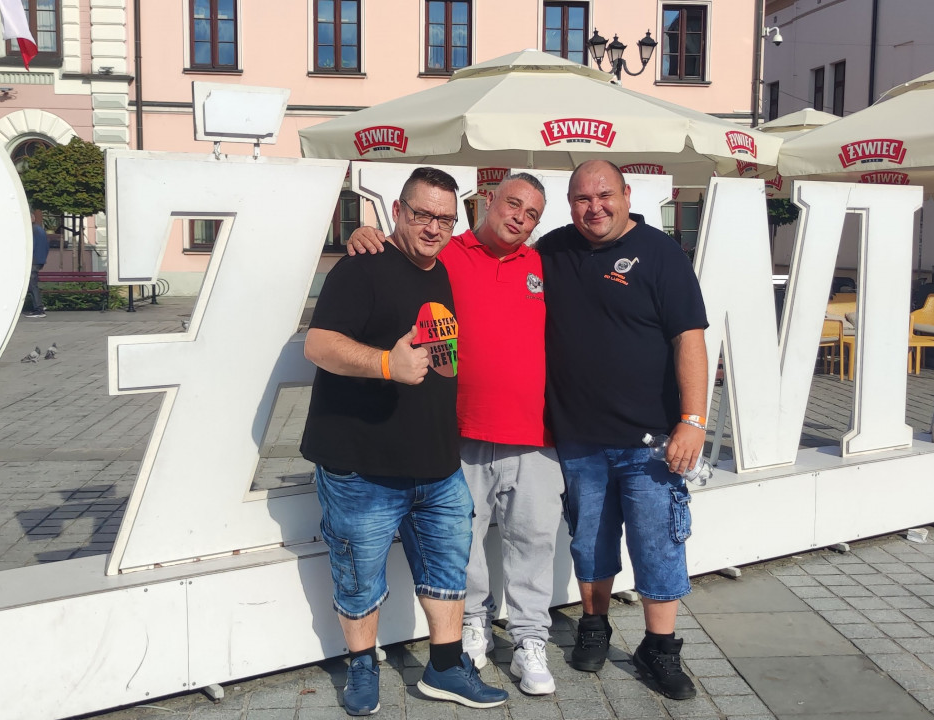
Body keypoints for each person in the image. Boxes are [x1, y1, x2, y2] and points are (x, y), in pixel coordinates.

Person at [301, 167, 508, 715]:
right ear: (397, 210)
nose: (434, 227)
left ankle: (445, 667)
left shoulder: (445, 271)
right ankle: (362, 665)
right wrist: (385, 364)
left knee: (448, 570)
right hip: (361, 464)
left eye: (446, 218)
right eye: (422, 214)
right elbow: (318, 345)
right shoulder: (360, 267)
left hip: (436, 462)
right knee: (359, 577)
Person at [346, 173, 563, 695]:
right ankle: (473, 625)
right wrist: (364, 233)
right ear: (487, 201)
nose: (520, 218)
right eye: (512, 204)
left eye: (532, 214)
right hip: (462, 429)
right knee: (461, 544)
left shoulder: (544, 263)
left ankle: (530, 639)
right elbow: (401, 254)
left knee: (534, 541)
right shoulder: (446, 253)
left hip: (535, 432)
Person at [536, 159, 708, 701]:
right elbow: (486, 261)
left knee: (658, 545)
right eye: (583, 199)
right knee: (590, 540)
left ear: (627, 194)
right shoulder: (551, 250)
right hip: (579, 436)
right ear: (570, 204)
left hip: (651, 442)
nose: (595, 208)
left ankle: (660, 647)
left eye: (604, 195)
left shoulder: (661, 254)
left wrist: (693, 420)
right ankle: (595, 625)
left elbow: (689, 339)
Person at [25, 209, 49, 318]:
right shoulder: (40, 229)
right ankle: (39, 307)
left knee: (32, 285)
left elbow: (31, 246)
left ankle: (39, 309)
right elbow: (46, 246)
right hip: (39, 260)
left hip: (33, 261)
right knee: (32, 284)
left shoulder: (32, 231)